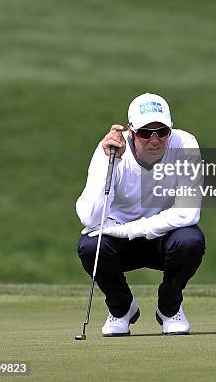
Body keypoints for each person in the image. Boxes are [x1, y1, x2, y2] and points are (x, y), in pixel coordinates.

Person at [76, 92, 205, 336]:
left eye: (162, 131)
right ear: (131, 131)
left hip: (166, 240)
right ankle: (121, 308)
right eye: (146, 133)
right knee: (91, 247)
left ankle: (170, 308)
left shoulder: (186, 144)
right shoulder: (110, 150)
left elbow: (188, 214)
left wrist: (125, 229)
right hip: (121, 245)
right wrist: (109, 164)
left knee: (191, 241)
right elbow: (90, 218)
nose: (154, 140)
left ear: (170, 130)